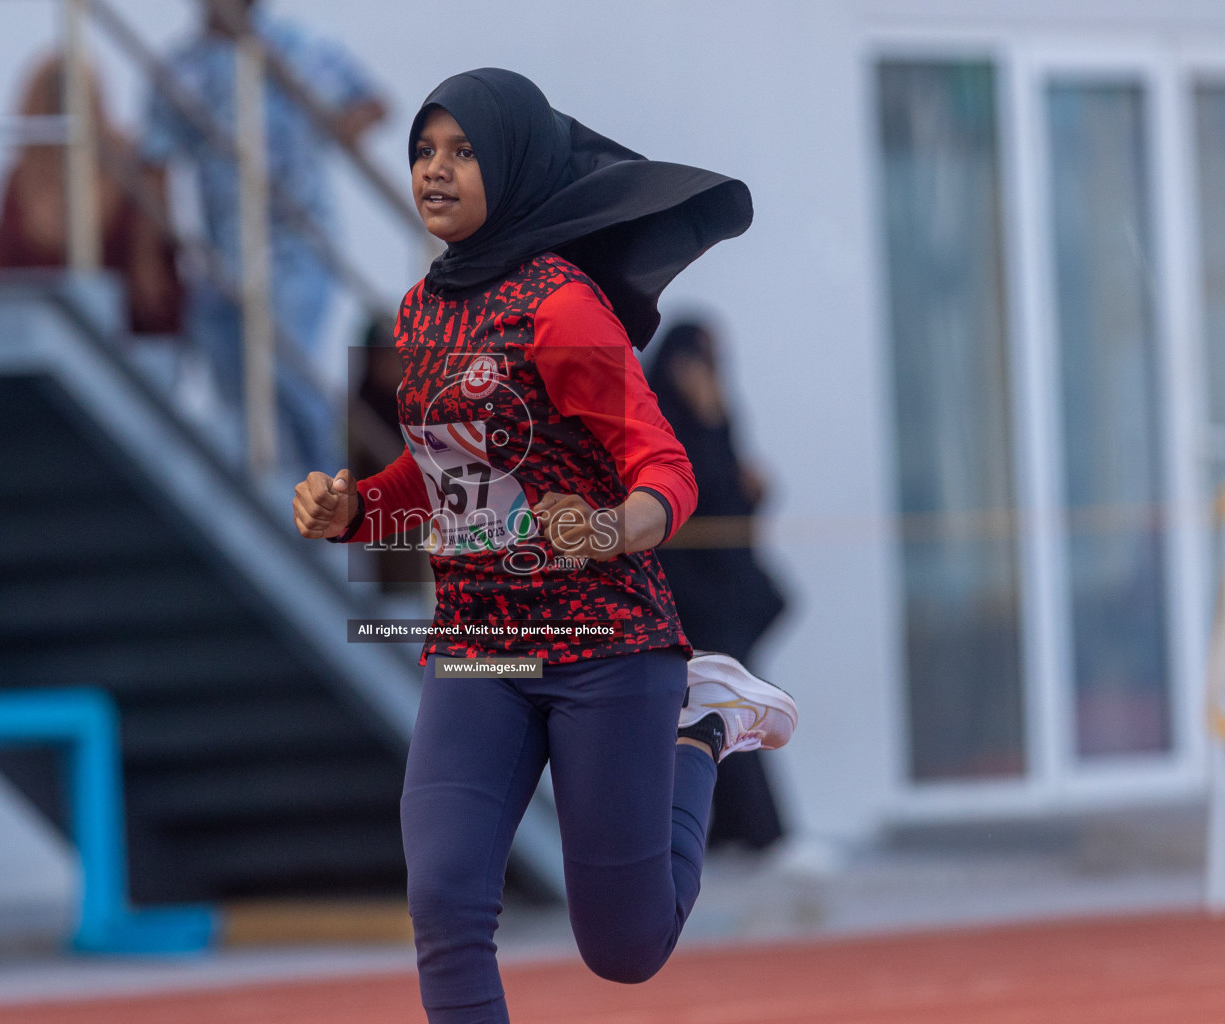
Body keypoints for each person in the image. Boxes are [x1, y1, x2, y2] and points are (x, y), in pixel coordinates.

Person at [291, 69, 797, 1024]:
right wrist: (352, 510)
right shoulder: (416, 314)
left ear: (514, 163)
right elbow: (433, 482)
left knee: (625, 949)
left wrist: (612, 526)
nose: (434, 171)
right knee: (443, 902)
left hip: (604, 647)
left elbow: (667, 468)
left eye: (463, 151)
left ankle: (706, 726)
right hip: (478, 648)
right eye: (422, 152)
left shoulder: (561, 307)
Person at [140, 0, 386, 469]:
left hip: (300, 247)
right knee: (233, 382)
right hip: (220, 257)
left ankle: (326, 504)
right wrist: (151, 259)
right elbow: (155, 164)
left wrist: (340, 125)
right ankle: (269, 497)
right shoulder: (181, 68)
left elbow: (371, 103)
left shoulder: (296, 46)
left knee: (286, 372)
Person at [648, 320, 790, 852]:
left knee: (722, 705)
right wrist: (709, 428)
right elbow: (693, 494)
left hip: (724, 588)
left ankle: (735, 829)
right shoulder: (663, 417)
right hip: (684, 591)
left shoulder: (717, 413)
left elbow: (732, 502)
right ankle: (762, 832)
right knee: (725, 705)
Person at [0, 54, 181, 335]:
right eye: (52, 105)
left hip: (126, 347)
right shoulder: (20, 183)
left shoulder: (135, 173)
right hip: (39, 343)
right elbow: (2, 283)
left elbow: (159, 290)